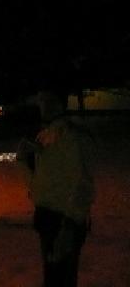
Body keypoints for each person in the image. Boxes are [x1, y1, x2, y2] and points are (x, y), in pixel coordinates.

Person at [23, 93, 96, 287]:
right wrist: (26, 160)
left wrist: (70, 225)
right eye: (41, 101)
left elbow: (83, 184)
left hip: (63, 219)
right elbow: (42, 179)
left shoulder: (71, 136)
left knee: (62, 277)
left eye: (48, 101)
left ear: (60, 104)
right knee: (53, 276)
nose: (42, 106)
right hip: (47, 216)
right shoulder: (46, 135)